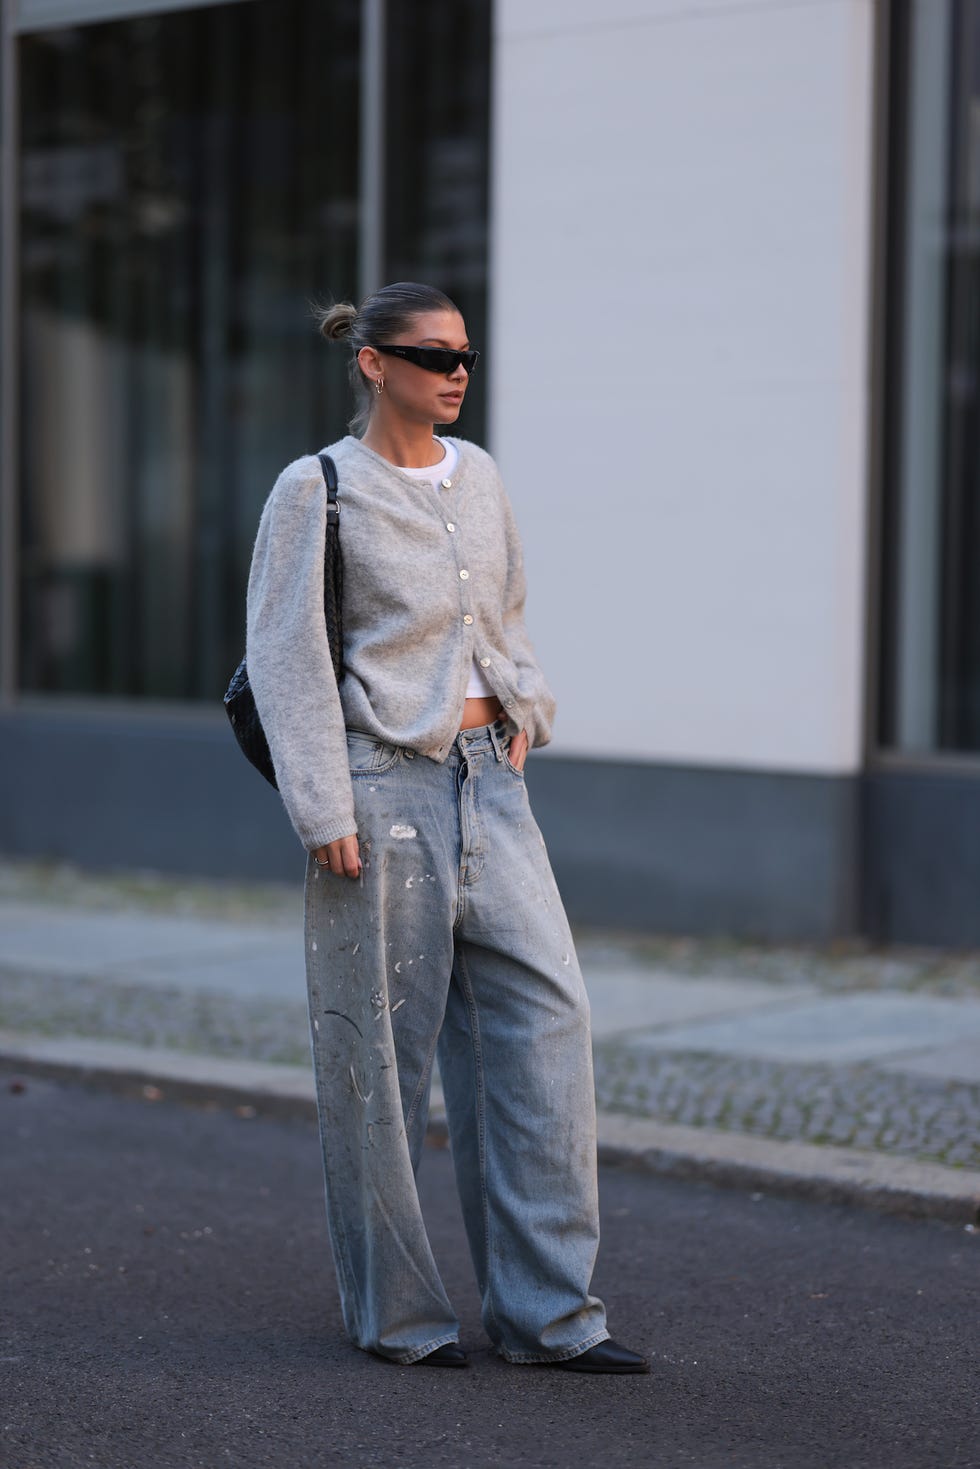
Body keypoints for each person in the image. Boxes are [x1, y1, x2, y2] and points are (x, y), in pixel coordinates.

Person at [245, 281, 647, 1374]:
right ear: (372, 363)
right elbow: (285, 655)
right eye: (429, 354)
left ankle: (548, 1317)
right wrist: (322, 802)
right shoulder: (315, 487)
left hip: (491, 785)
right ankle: (400, 1314)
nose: (454, 371)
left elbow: (503, 610)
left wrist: (522, 706)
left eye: (464, 353)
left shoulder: (482, 479)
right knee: (378, 1056)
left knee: (543, 1029)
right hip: (380, 792)